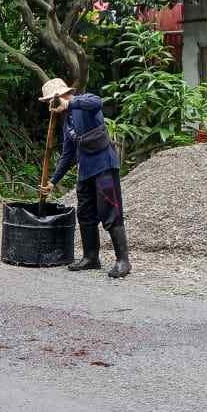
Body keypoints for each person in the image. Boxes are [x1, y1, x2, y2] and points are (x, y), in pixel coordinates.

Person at [38, 78, 131, 278]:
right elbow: (68, 154)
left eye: (51, 102)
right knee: (85, 213)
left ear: (61, 97)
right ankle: (91, 257)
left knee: (110, 211)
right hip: (85, 171)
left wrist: (69, 103)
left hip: (104, 166)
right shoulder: (67, 122)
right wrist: (53, 182)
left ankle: (123, 261)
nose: (50, 106)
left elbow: (97, 101)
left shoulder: (83, 103)